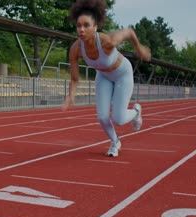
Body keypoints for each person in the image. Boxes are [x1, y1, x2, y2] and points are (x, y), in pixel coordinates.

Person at [62, 0, 151, 157]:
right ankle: (115, 141)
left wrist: (140, 49)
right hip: (103, 75)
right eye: (78, 25)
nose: (81, 29)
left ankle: (136, 111)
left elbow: (129, 32)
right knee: (102, 117)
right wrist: (70, 96)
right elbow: (75, 79)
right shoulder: (76, 49)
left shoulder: (107, 41)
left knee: (119, 118)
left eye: (86, 25)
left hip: (122, 74)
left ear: (95, 27)